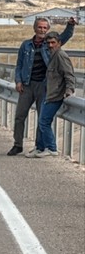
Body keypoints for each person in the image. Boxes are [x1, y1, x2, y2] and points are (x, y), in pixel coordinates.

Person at [9, 17, 76, 155]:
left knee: (42, 118)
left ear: (48, 29)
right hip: (27, 85)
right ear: (34, 28)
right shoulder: (26, 45)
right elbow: (19, 64)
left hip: (45, 86)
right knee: (20, 116)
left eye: (45, 28)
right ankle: (17, 144)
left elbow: (65, 36)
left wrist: (70, 25)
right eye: (40, 27)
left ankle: (39, 147)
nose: (42, 30)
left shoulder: (50, 44)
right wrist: (18, 81)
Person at [31, 31, 76, 158]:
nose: (50, 45)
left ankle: (51, 148)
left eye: (53, 43)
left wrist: (69, 90)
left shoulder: (60, 55)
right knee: (42, 121)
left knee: (44, 121)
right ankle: (41, 147)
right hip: (49, 93)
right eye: (48, 43)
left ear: (59, 43)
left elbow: (69, 74)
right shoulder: (52, 55)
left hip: (56, 95)